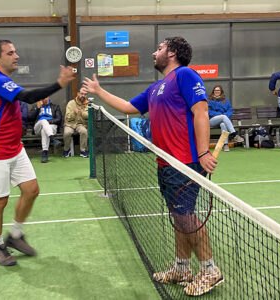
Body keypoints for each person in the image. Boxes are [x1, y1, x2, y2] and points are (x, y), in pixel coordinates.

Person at [83, 37, 223, 296]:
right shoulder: (157, 87)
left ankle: (210, 270)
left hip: (185, 161)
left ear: (171, 53)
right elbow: (128, 107)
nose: (153, 52)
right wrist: (99, 91)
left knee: (187, 217)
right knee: (179, 217)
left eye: (159, 48)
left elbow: (201, 112)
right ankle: (182, 268)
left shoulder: (185, 75)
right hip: (165, 162)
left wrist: (203, 152)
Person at [0, 39, 75, 266]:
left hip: (14, 147)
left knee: (31, 190)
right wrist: (59, 84)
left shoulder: (5, 79)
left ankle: (16, 236)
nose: (16, 56)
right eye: (10, 53)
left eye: (15, 51)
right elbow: (30, 97)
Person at [207, 85, 244, 152]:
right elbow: (209, 111)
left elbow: (230, 111)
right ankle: (234, 134)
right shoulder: (210, 100)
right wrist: (220, 115)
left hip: (223, 120)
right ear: (213, 91)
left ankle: (225, 144)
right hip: (212, 120)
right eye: (215, 90)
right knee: (223, 117)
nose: (216, 91)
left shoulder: (226, 101)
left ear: (221, 91)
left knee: (223, 124)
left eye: (218, 90)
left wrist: (224, 115)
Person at [28, 96, 62, 163]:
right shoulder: (36, 106)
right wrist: (37, 108)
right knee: (43, 121)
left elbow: (59, 119)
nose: (45, 99)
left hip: (51, 127)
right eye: (43, 98)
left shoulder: (55, 107)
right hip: (38, 127)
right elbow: (30, 118)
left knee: (44, 129)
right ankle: (52, 139)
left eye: (46, 97)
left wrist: (48, 122)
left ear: (48, 97)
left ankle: (45, 153)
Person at [63, 88, 89, 158]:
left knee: (84, 131)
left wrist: (81, 113)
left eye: (85, 94)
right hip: (70, 124)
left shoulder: (88, 104)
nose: (83, 95)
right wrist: (74, 112)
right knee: (67, 133)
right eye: (81, 93)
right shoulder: (71, 103)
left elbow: (88, 116)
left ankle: (83, 151)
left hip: (81, 124)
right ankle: (66, 149)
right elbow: (67, 117)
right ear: (78, 94)